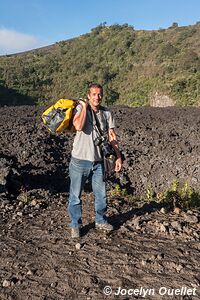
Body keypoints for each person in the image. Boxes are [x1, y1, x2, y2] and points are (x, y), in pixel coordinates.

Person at [68, 83, 122, 238]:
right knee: (75, 195)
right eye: (94, 94)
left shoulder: (106, 113)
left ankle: (101, 220)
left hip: (99, 162)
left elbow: (112, 136)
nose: (97, 97)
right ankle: (75, 225)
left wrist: (118, 156)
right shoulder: (81, 109)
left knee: (101, 195)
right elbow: (78, 126)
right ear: (89, 95)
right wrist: (84, 106)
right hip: (79, 160)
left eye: (99, 94)